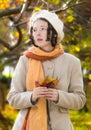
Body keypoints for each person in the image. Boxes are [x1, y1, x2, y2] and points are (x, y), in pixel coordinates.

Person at [7, 10, 86, 130]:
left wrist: (59, 96)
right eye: (34, 30)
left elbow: (80, 100)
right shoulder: (25, 60)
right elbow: (12, 98)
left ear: (54, 32)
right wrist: (32, 96)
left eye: (43, 29)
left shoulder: (72, 62)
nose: (37, 33)